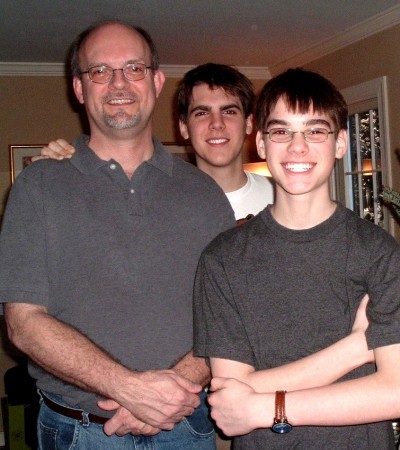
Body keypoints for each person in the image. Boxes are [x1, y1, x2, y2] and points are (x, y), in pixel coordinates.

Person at [0, 20, 236, 449]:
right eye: (100, 71)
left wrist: (170, 393)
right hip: (79, 433)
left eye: (133, 68)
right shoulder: (37, 187)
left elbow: (227, 316)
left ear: (156, 80)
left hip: (185, 426)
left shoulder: (205, 195)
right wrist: (128, 389)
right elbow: (23, 323)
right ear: (79, 88)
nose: (118, 82)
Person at [193, 68, 400, 449]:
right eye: (281, 131)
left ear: (340, 143)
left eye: (315, 131)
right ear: (261, 143)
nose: (297, 147)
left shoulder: (380, 253)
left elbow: (394, 391)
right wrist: (353, 348)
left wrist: (266, 409)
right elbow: (228, 395)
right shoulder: (222, 259)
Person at [38, 63, 274, 222]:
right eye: (201, 113)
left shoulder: (284, 195)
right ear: (183, 127)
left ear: (249, 123)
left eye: (229, 112)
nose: (217, 123)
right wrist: (59, 170)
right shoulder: (152, 198)